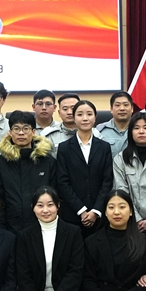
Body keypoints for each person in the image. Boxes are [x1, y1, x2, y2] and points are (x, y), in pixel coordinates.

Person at [0, 111, 57, 234]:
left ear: (33, 132)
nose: (21, 133)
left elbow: (56, 195)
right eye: (16, 129)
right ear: (10, 132)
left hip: (43, 227)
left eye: (26, 128)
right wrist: (1, 229)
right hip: (9, 229)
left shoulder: (47, 161)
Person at [56, 100, 114, 233]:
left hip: (99, 216)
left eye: (89, 114)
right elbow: (62, 182)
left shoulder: (104, 147)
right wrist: (81, 210)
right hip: (72, 215)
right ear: (74, 118)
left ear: (95, 118)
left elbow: (107, 181)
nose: (85, 118)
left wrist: (95, 211)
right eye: (80, 114)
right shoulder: (64, 148)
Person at [96, 90, 134, 155]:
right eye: (117, 105)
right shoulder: (100, 131)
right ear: (111, 109)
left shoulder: (140, 130)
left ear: (132, 109)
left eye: (126, 105)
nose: (122, 108)